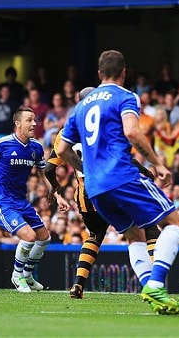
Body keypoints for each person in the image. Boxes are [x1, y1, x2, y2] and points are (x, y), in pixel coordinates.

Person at [57, 50, 179, 315]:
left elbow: (61, 150)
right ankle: (156, 285)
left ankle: (153, 292)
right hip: (122, 176)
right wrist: (157, 164)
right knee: (175, 223)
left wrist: (85, 168)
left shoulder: (80, 106)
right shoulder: (125, 96)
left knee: (133, 235)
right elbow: (131, 131)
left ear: (99, 74)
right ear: (124, 72)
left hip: (94, 188)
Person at [45, 87, 161, 300]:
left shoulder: (66, 130)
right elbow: (121, 159)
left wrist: (56, 189)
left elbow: (49, 168)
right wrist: (145, 171)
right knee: (149, 229)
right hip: (112, 186)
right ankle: (157, 283)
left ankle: (78, 285)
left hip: (86, 194)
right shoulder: (104, 124)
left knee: (95, 235)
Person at [0, 106, 69, 293]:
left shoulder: (35, 147)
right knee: (29, 237)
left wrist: (57, 195)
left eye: (35, 120)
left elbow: (44, 174)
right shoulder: (1, 144)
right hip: (1, 201)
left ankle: (27, 274)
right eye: (29, 120)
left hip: (21, 201)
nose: (34, 123)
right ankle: (17, 275)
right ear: (18, 123)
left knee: (44, 238)